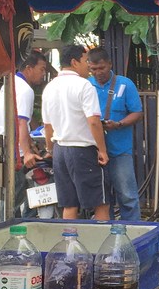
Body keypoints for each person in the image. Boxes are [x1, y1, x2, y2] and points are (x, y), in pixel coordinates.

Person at [41, 44, 110, 221]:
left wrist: (49, 150)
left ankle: (69, 245)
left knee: (69, 204)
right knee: (100, 202)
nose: (88, 65)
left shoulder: (50, 87)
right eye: (85, 60)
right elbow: (94, 121)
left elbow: (47, 125)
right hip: (82, 150)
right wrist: (102, 150)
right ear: (74, 62)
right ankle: (101, 246)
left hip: (59, 151)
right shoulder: (84, 85)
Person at [88, 47, 144, 221]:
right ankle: (107, 239)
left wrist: (119, 124)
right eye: (94, 69)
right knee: (102, 200)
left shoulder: (125, 84)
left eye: (102, 68)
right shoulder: (86, 85)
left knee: (128, 197)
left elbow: (137, 112)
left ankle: (133, 236)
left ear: (110, 64)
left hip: (120, 150)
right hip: (93, 151)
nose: (98, 73)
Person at [0, 50, 51, 213]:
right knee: (15, 200)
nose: (43, 73)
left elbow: (23, 119)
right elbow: (21, 123)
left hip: (3, 146)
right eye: (42, 69)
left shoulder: (11, 84)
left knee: (11, 198)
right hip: (14, 151)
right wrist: (26, 153)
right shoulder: (25, 90)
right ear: (29, 68)